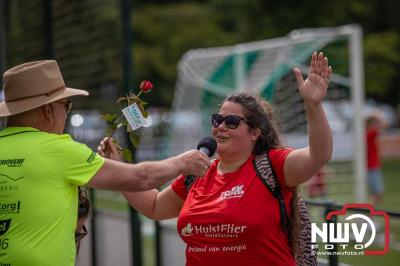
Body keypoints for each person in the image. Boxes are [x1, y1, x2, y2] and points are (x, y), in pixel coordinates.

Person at [99, 51, 333, 265]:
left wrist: (313, 105)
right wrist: (118, 165)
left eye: (231, 122)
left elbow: (318, 155)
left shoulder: (272, 165)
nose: (221, 127)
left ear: (254, 133)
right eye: (217, 119)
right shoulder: (198, 173)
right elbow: (154, 206)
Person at [0, 60, 210, 266]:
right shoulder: (58, 149)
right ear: (48, 110)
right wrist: (182, 162)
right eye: (66, 105)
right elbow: (140, 178)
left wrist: (112, 164)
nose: (66, 113)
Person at [365, 112, 387, 205]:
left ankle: (368, 216)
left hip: (371, 167)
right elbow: (384, 125)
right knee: (377, 193)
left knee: (376, 193)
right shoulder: (370, 133)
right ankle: (368, 216)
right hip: (371, 168)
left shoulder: (367, 133)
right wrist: (377, 115)